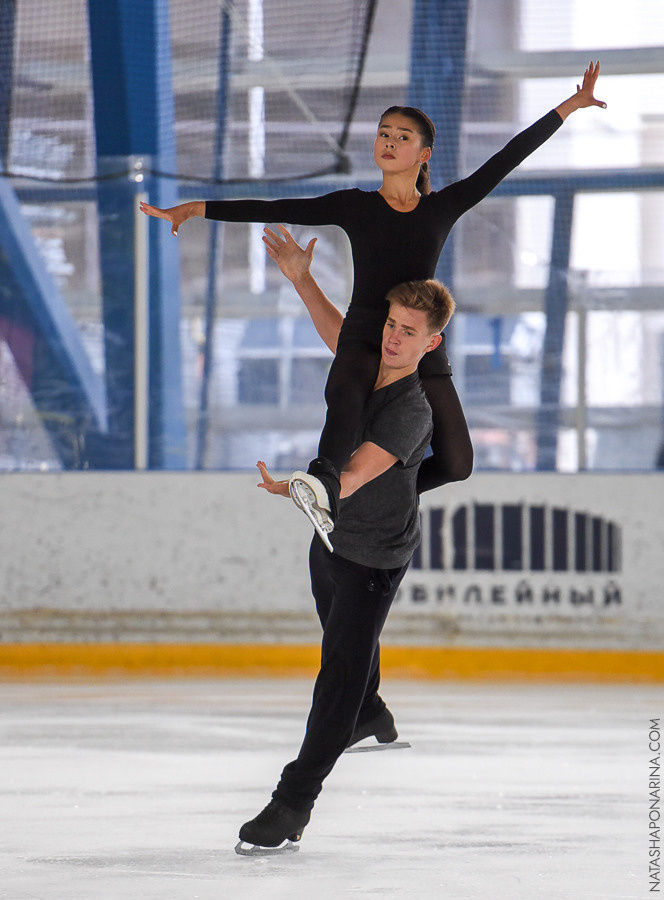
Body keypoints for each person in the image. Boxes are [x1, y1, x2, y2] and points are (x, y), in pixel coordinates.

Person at [140, 62, 606, 529]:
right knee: (345, 394)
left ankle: (370, 490)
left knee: (458, 463)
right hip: (365, 330)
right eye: (384, 132)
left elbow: (507, 158)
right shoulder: (355, 205)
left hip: (420, 338)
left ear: (424, 154)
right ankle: (324, 481)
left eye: (403, 136)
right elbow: (276, 204)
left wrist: (570, 105)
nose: (390, 140)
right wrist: (197, 208)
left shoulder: (442, 208)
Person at [234, 227, 455, 853]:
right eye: (390, 323)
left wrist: (309, 487)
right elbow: (336, 331)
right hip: (328, 544)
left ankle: (292, 803)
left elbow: (353, 476)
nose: (392, 336)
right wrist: (302, 279)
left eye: (408, 331)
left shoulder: (413, 409)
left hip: (373, 557)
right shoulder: (365, 363)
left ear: (431, 343)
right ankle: (368, 711)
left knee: (337, 674)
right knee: (345, 645)